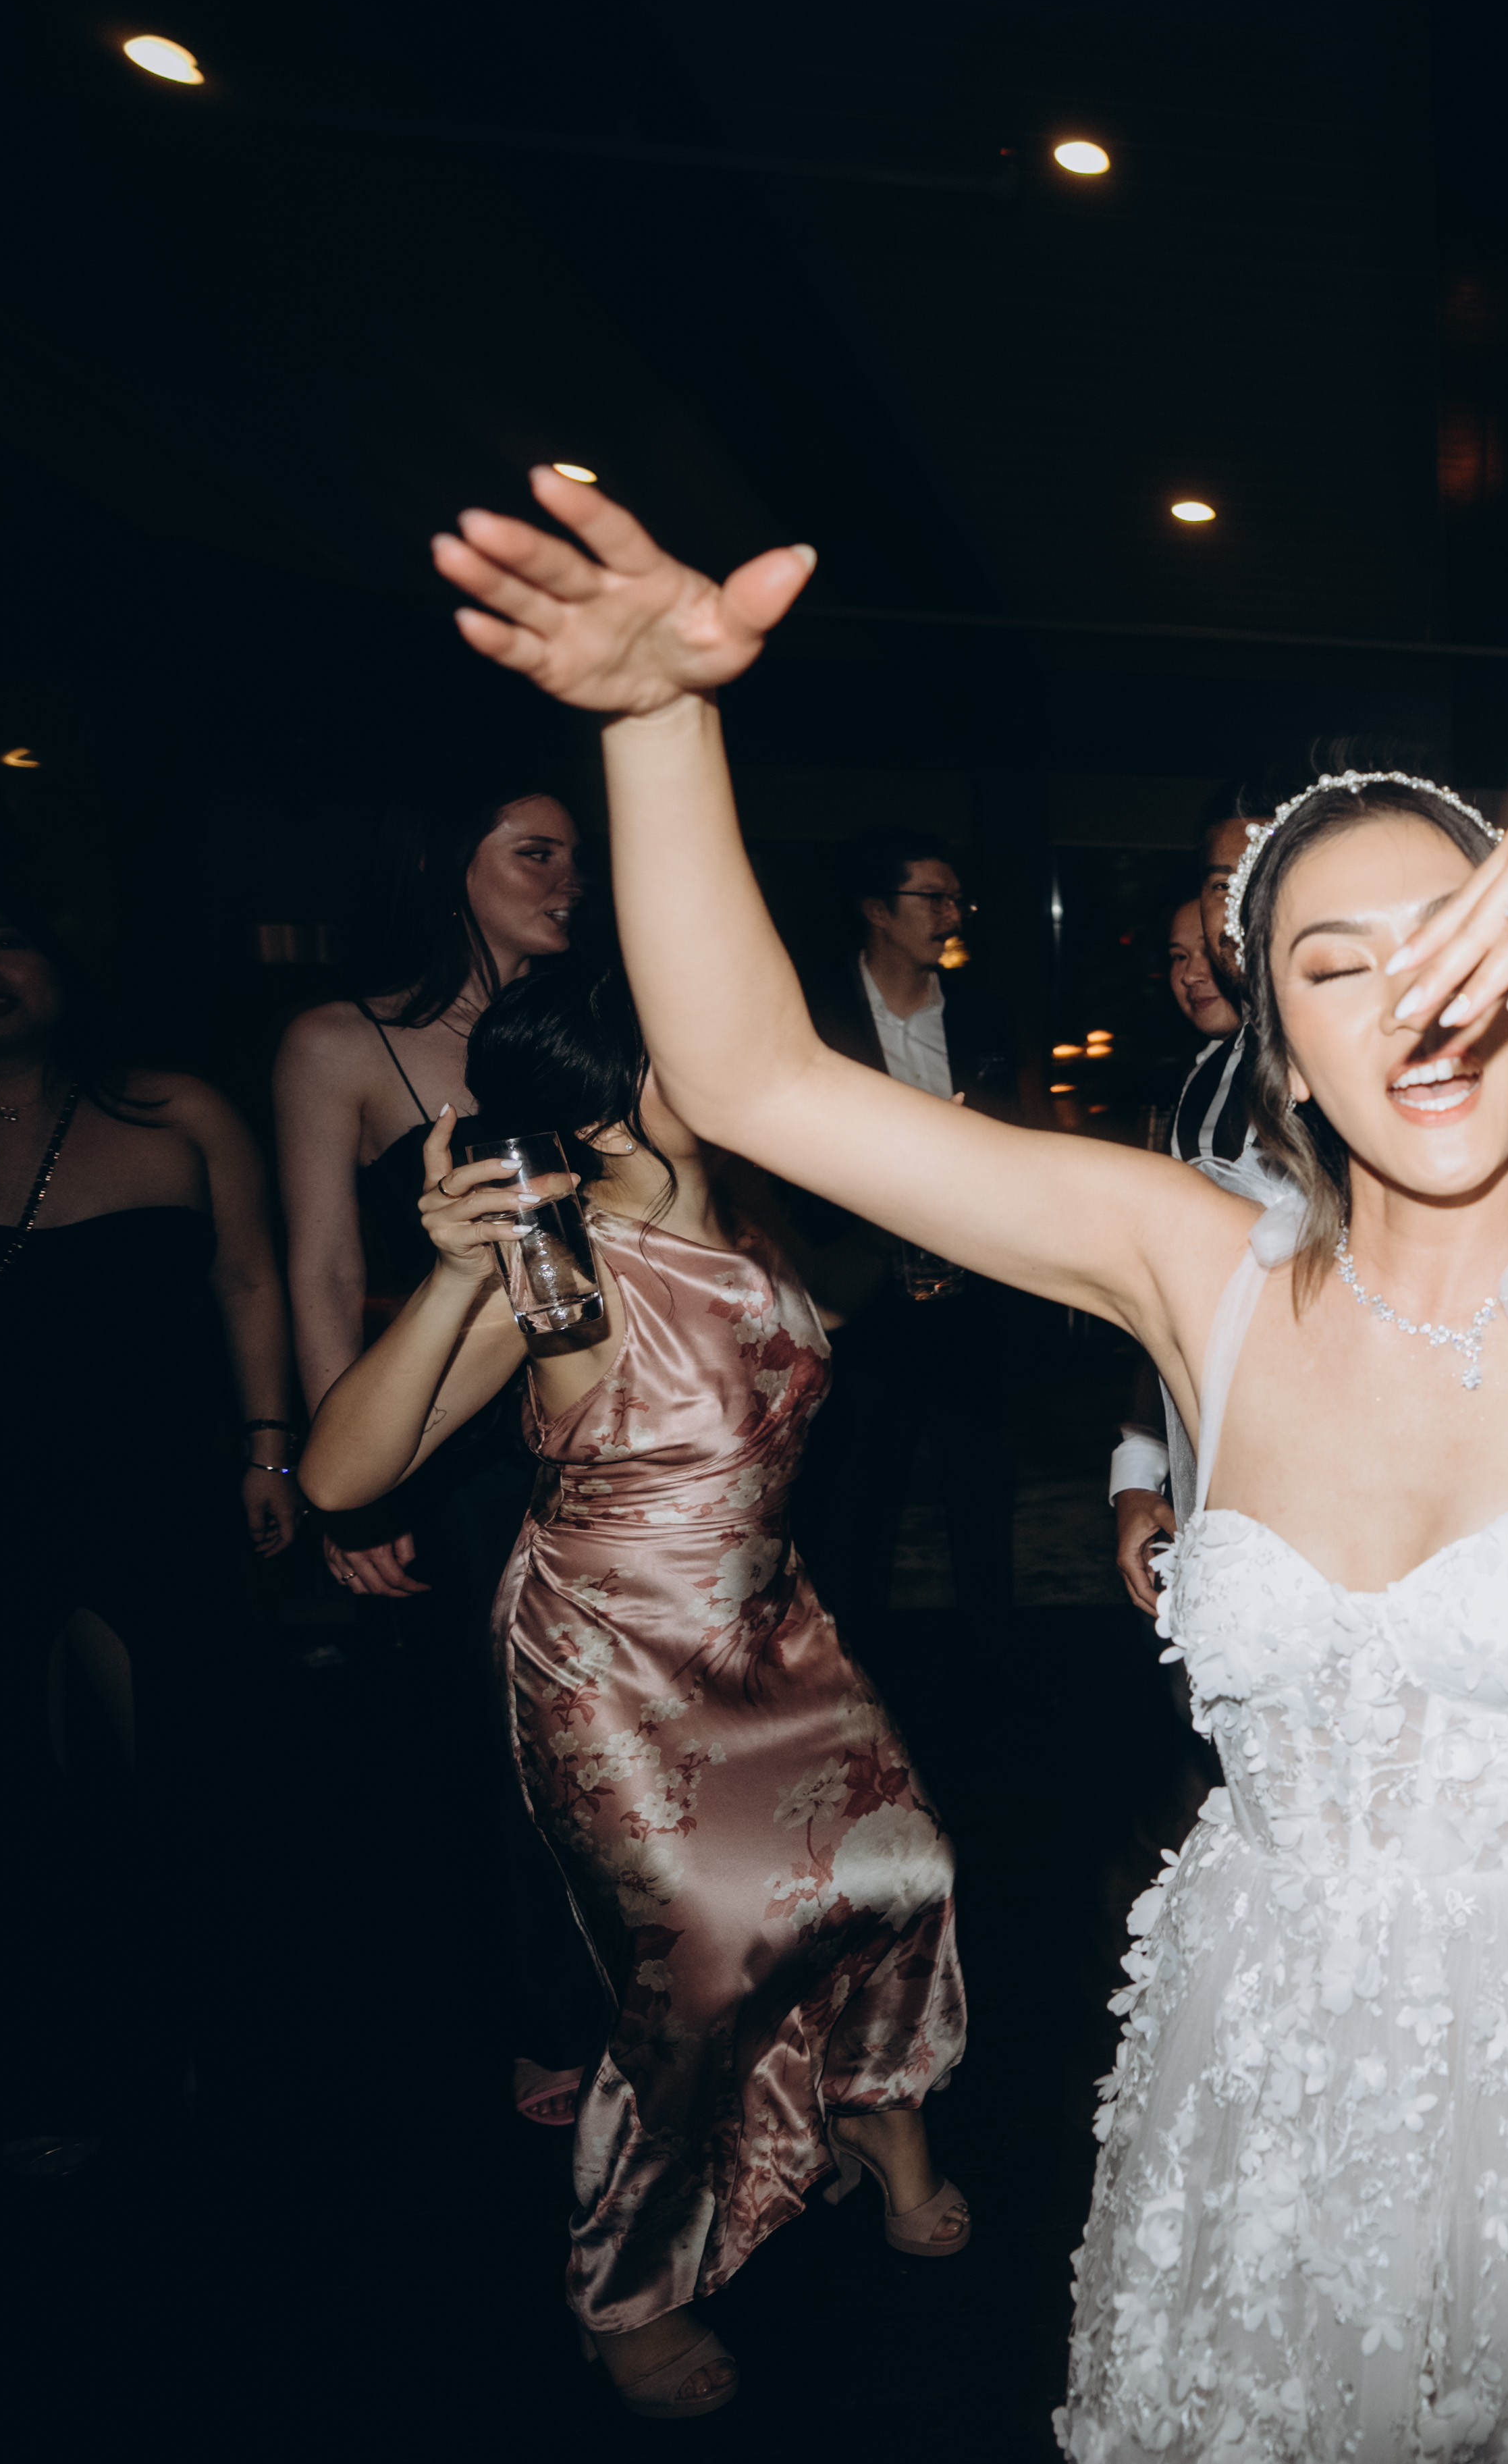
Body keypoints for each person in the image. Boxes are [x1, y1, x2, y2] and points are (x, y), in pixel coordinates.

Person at [425, 466, 1508, 2457]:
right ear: (1281, 1048)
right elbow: (754, 1080)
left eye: (1458, 937)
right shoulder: (1188, 1261)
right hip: (1270, 2041)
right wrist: (655, 722)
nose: (1418, 1001)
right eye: (1335, 964)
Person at [302, 955, 967, 2420]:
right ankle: (632, 2280)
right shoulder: (564, 1266)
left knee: (904, 1865)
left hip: (770, 1619)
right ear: (611, 1098)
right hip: (611, 1647)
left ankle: (876, 2109)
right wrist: (460, 1271)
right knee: (708, 1953)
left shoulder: (747, 1204)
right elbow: (339, 1477)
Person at [0, 868, 300, 2163]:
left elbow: (250, 1277)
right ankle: (60, 2066)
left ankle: (225, 2057)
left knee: (195, 1775)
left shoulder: (173, 1107)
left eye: (1, 940)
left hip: (156, 1488)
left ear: (55, 957)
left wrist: (269, 1447)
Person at [267, 778, 592, 2124]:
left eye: (575, 856)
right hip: (455, 1436)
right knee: (507, 1726)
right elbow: (322, 1271)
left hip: (604, 1413)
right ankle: (546, 2007)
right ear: (447, 865)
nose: (568, 879)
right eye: (536, 853)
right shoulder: (338, 1040)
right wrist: (355, 1488)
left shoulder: (591, 1025)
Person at [797, 828, 1024, 1631]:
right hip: (857, 1294)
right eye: (933, 898)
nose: (953, 916)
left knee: (981, 1500)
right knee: (855, 1503)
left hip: (968, 1292)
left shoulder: (981, 1016)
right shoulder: (816, 1015)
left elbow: (1014, 1143)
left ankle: (994, 1668)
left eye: (958, 900)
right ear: (876, 911)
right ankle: (850, 1670)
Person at [1112, 801, 1278, 1611]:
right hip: (1204, 1433)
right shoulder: (1206, 1077)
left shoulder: (1355, 1063)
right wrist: (1137, 1472)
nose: (1196, 970)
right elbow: (1163, 1284)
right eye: (1220, 886)